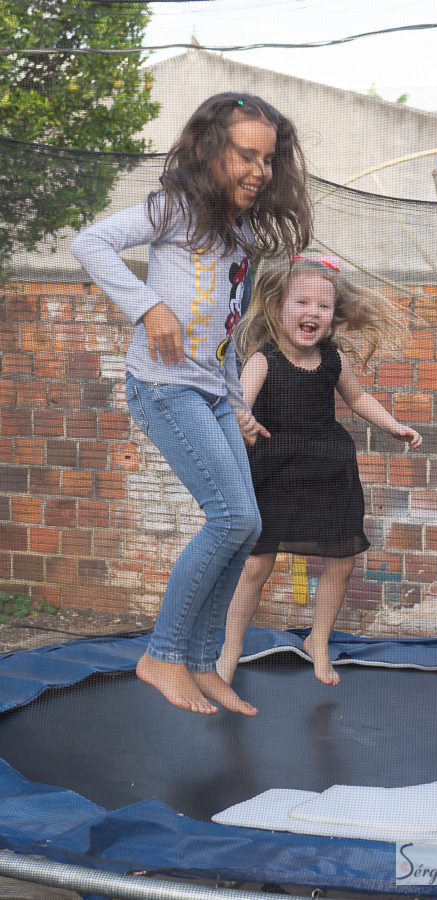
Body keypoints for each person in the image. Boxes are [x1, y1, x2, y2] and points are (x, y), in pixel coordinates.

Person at [71, 93, 312, 715]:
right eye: (246, 155)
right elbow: (91, 242)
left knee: (248, 525)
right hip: (163, 384)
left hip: (210, 394)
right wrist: (148, 306)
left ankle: (203, 663)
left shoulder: (241, 236)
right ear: (208, 150)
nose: (258, 170)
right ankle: (162, 654)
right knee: (230, 518)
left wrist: (236, 404)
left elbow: (225, 337)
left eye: (268, 159)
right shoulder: (175, 208)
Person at [217, 256, 422, 688]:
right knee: (254, 567)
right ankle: (229, 651)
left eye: (323, 306)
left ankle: (319, 641)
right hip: (274, 476)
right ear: (277, 308)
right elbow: (239, 405)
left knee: (342, 563)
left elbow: (359, 399)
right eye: (302, 302)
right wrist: (242, 419)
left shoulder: (333, 359)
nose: (313, 312)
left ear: (333, 315)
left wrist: (392, 426)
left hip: (331, 474)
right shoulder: (263, 361)